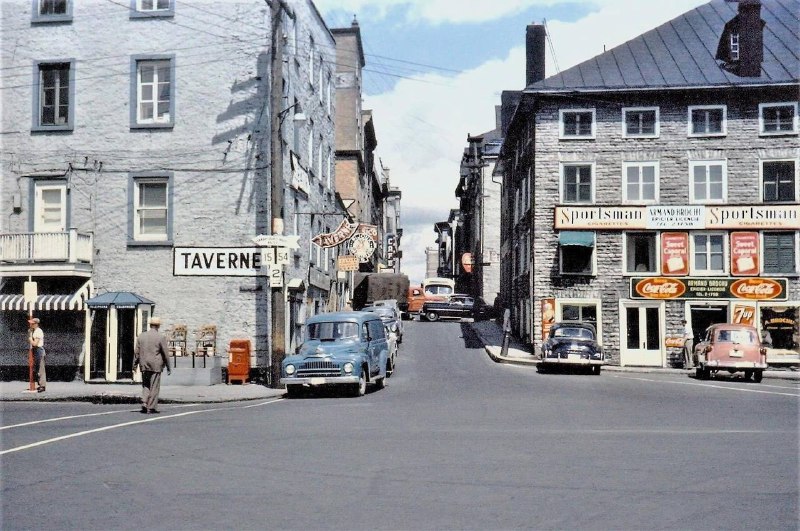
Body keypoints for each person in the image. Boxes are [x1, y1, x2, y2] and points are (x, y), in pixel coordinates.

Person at [133, 316, 171, 414]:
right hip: (156, 364)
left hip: (144, 364)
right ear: (158, 326)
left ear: (150, 325)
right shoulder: (160, 337)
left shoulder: (141, 336)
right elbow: (165, 353)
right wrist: (168, 366)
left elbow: (136, 352)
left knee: (146, 384)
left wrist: (134, 364)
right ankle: (151, 406)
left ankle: (144, 402)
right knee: (154, 386)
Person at [28, 317, 46, 392]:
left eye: (32, 323)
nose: (30, 325)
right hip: (36, 350)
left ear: (35, 324)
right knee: (37, 368)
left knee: (41, 368)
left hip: (39, 350)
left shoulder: (38, 331)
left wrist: (30, 339)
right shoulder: (34, 331)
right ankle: (40, 384)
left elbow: (35, 343)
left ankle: (42, 385)